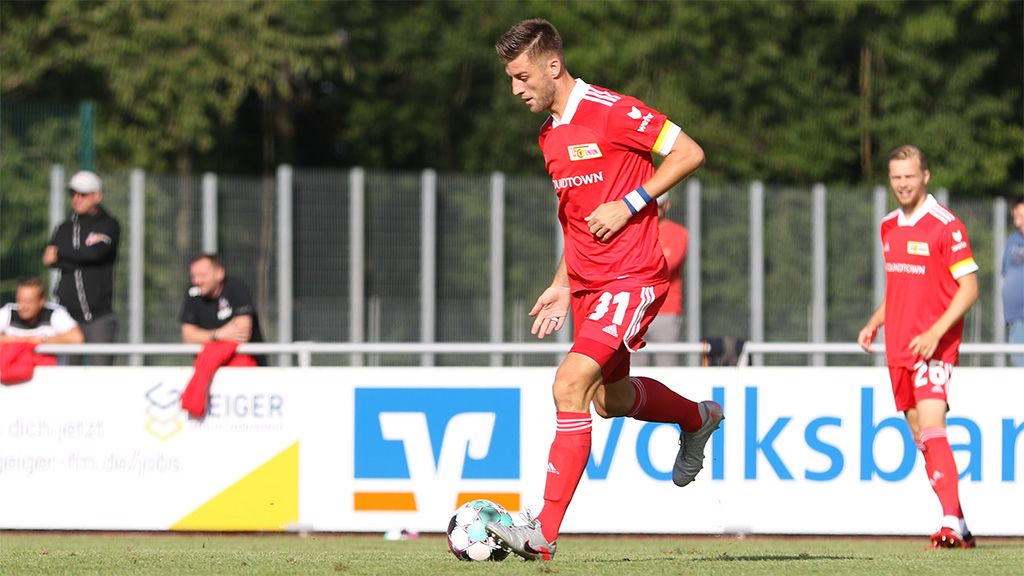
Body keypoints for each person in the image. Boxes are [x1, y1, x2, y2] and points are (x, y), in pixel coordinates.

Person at [488, 19, 722, 561]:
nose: (516, 89)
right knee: (609, 401)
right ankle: (697, 417)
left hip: (633, 277)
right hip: (589, 287)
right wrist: (560, 283)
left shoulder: (614, 110)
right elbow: (574, 220)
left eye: (522, 76)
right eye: (510, 79)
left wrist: (632, 202)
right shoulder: (548, 135)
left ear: (552, 66)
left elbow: (689, 152)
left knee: (568, 385)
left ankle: (542, 532)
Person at [858, 145, 979, 549]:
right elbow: (899, 287)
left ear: (925, 175)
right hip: (898, 347)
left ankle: (947, 522)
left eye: (909, 176)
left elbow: (970, 288)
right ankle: (959, 523)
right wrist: (876, 321)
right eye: (896, 177)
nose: (902, 184)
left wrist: (935, 332)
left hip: (935, 347)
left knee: (932, 426)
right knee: (920, 436)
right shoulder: (889, 225)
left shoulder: (947, 225)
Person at [43, 170, 120, 365]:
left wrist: (63, 255)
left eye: (83, 194)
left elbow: (95, 254)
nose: (77, 199)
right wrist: (81, 255)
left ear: (97, 196)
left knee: (100, 375)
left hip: (99, 316)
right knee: (68, 376)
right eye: (73, 194)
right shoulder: (64, 228)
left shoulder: (109, 224)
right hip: (67, 317)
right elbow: (49, 259)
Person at [179, 253, 266, 365]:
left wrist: (202, 337)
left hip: (246, 367)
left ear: (220, 273)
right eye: (193, 276)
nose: (197, 281)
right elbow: (188, 337)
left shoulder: (236, 287)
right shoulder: (193, 291)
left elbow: (241, 334)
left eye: (202, 275)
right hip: (209, 365)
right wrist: (218, 334)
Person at [634, 193, 688, 367]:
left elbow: (664, 267)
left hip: (666, 311)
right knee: (632, 372)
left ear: (666, 206)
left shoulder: (678, 233)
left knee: (668, 369)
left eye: (657, 205)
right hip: (635, 311)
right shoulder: (635, 230)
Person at [0, 277, 84, 344]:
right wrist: (15, 340)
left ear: (41, 301)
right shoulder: (8, 311)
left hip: (45, 365)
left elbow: (77, 337)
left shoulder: (54, 313)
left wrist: (43, 340)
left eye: (28, 301)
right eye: (19, 300)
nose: (23, 306)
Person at [1002, 196, 1024, 367]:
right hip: (1016, 316)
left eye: (1021, 217)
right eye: (1015, 217)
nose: (1017, 223)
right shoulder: (1013, 240)